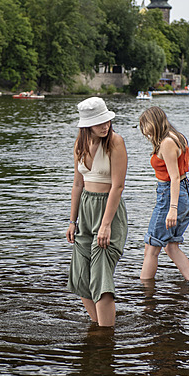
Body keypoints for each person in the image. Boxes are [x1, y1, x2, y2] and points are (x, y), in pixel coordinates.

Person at [66, 97, 128, 328]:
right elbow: (77, 185)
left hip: (109, 211)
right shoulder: (79, 145)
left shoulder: (115, 142)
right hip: (85, 211)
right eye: (99, 122)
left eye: (107, 120)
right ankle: (98, 327)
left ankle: (105, 338)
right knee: (81, 277)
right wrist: (72, 221)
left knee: (101, 276)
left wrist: (105, 224)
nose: (105, 126)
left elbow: (118, 187)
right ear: (86, 125)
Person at [138, 106, 189, 282]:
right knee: (171, 247)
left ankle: (145, 294)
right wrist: (179, 164)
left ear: (154, 123)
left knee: (151, 247)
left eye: (146, 127)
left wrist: (172, 209)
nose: (145, 132)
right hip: (186, 194)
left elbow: (174, 178)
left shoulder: (166, 143)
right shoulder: (178, 137)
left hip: (171, 196)